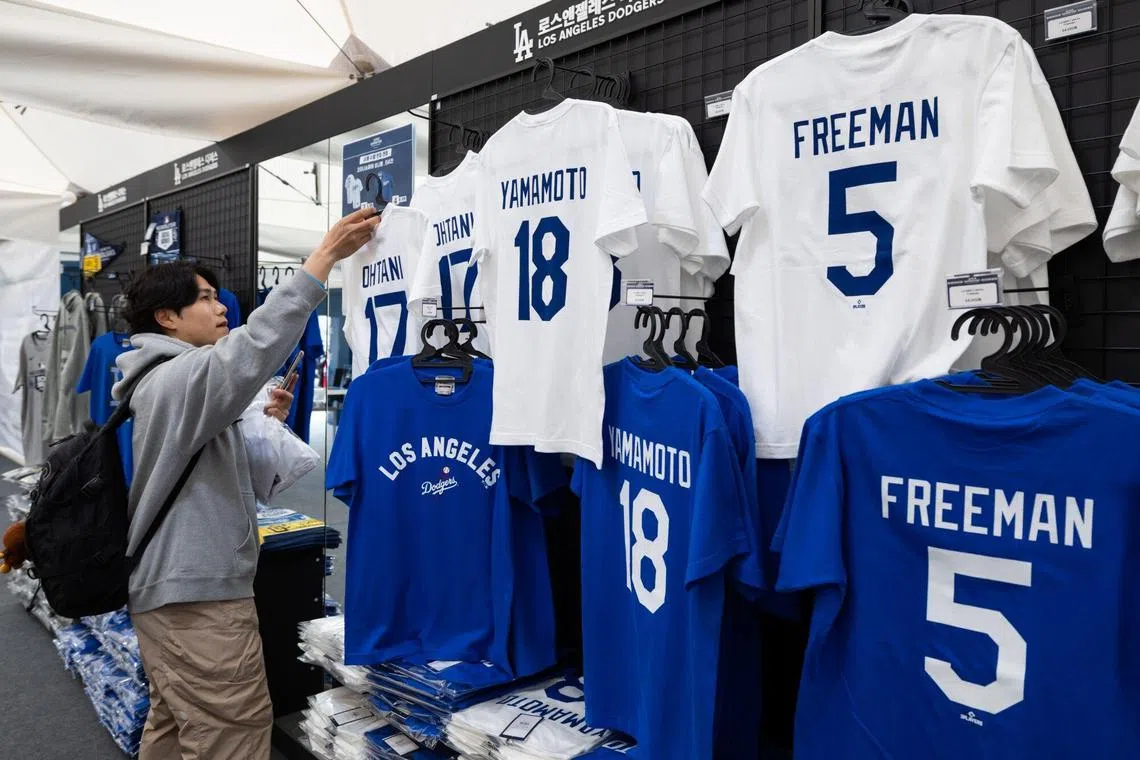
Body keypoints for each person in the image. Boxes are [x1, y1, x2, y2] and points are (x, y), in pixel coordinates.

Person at [112, 206, 379, 759]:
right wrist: (323, 259)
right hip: (197, 597)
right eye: (206, 297)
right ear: (166, 316)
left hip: (173, 590)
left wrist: (267, 424)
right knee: (232, 734)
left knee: (175, 723)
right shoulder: (177, 378)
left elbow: (225, 479)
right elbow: (255, 345)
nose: (221, 307)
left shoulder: (165, 383)